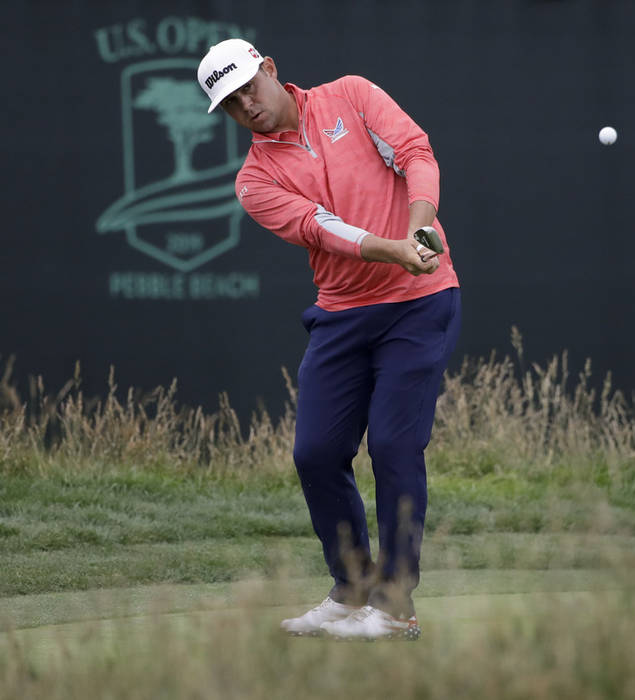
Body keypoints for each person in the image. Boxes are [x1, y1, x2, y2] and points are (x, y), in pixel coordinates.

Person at [196, 39, 461, 641]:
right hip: (342, 315)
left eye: (248, 89)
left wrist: (419, 226)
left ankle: (394, 607)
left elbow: (415, 152)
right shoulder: (254, 181)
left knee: (394, 446)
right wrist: (394, 248)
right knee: (314, 454)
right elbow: (324, 228)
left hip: (418, 304)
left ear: (270, 69)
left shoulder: (352, 95)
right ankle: (352, 589)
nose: (246, 107)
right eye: (231, 105)